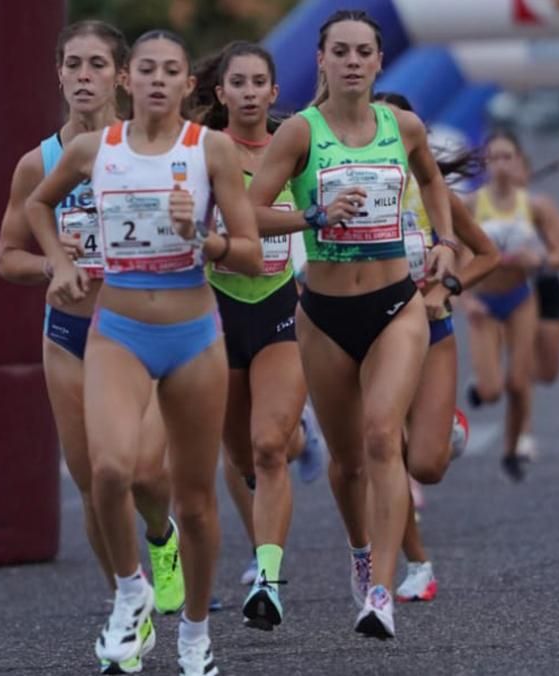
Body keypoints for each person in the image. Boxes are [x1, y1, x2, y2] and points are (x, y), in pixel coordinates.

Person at [26, 28, 263, 676]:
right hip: (118, 331)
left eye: (171, 71)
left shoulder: (209, 149)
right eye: (147, 69)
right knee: (108, 471)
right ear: (128, 80)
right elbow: (38, 205)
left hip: (192, 335)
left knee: (194, 501)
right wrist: (58, 263)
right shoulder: (93, 150)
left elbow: (249, 252)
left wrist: (203, 239)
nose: (158, 80)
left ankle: (195, 634)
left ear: (189, 83)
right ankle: (131, 592)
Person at [246, 9, 458, 639]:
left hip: (396, 305)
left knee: (382, 436)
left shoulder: (403, 126)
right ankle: (362, 553)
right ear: (321, 60)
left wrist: (445, 241)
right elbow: (249, 211)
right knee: (346, 462)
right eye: (340, 51)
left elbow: (432, 180)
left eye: (364, 52)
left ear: (379, 61)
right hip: (324, 314)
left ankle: (381, 593)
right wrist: (313, 216)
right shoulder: (300, 133)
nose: (353, 62)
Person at [0, 21, 183, 675]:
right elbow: (7, 257)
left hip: (139, 332)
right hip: (70, 338)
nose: (83, 76)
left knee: (145, 473)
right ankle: (128, 605)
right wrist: (53, 262)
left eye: (96, 64)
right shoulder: (39, 163)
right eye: (72, 64)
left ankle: (161, 536)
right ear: (58, 73)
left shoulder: (152, 150)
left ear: (121, 76)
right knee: (96, 481)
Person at [187, 40, 328, 631]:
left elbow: (317, 209)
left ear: (274, 91)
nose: (248, 93)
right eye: (237, 83)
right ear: (220, 92)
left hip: (277, 305)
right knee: (243, 455)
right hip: (217, 310)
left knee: (268, 447)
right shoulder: (198, 150)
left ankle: (268, 580)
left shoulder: (293, 146)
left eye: (258, 83)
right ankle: (304, 433)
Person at [372, 92, 500, 603]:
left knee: (425, 465)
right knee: (383, 451)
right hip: (368, 337)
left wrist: (444, 290)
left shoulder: (435, 195)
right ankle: (416, 563)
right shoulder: (352, 187)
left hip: (431, 332)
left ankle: (446, 425)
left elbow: (487, 254)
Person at [463, 130, 546, 482]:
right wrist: (466, 299)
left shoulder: (533, 204)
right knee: (493, 390)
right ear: (485, 163)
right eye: (493, 157)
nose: (500, 164)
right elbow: (456, 256)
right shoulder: (471, 205)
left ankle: (512, 450)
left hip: (519, 298)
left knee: (518, 382)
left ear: (518, 162)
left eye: (507, 157)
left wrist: (538, 259)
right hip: (483, 301)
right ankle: (480, 389)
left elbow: (555, 249)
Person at [517, 152, 559, 461]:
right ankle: (524, 434)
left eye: (514, 162)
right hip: (514, 290)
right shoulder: (485, 205)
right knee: (523, 365)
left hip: (546, 284)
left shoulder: (539, 206)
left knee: (549, 371)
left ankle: (514, 380)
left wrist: (547, 258)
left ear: (526, 171)